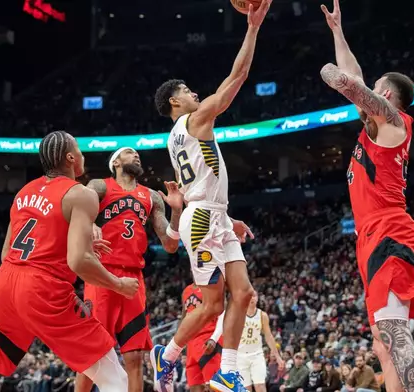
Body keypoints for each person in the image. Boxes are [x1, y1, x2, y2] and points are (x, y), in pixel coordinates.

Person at [0, 131, 139, 392]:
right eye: (80, 151)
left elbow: (7, 253)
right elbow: (79, 261)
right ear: (71, 157)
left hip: (5, 284)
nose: (83, 156)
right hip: (43, 289)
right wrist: (118, 284)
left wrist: (72, 243)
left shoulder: (23, 192)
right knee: (116, 381)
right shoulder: (81, 194)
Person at [150, 1, 273, 391]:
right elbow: (236, 79)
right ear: (175, 103)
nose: (194, 93)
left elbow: (195, 185)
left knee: (245, 293)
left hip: (212, 215)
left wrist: (226, 215)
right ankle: (166, 355)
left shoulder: (177, 137)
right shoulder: (192, 120)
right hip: (202, 219)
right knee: (212, 305)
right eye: (186, 91)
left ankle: (229, 370)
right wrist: (252, 28)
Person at [320, 1, 414, 391]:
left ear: (384, 94)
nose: (369, 88)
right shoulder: (373, 129)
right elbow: (354, 75)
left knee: (396, 335)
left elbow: (354, 85)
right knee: (383, 344)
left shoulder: (397, 122)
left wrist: (339, 80)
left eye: (374, 87)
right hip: (370, 236)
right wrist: (337, 32)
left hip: (390, 231)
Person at [74, 147, 182, 392]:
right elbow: (78, 206)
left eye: (137, 154)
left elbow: (171, 244)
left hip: (134, 279)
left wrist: (176, 210)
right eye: (130, 153)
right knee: (93, 354)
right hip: (101, 274)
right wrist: (90, 222)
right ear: (116, 162)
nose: (136, 156)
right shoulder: (100, 186)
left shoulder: (151, 197)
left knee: (135, 358)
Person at [238, 291, 285, 391]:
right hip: (241, 355)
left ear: (258, 298)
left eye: (254, 296)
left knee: (260, 386)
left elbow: (268, 336)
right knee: (245, 388)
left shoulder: (262, 315)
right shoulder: (239, 314)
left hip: (256, 355)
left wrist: (278, 357)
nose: (252, 298)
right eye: (250, 296)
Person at [182, 283, 225, 392]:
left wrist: (214, 339)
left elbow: (222, 313)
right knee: (195, 388)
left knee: (215, 387)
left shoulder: (213, 286)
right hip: (191, 345)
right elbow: (184, 318)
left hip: (208, 341)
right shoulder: (186, 290)